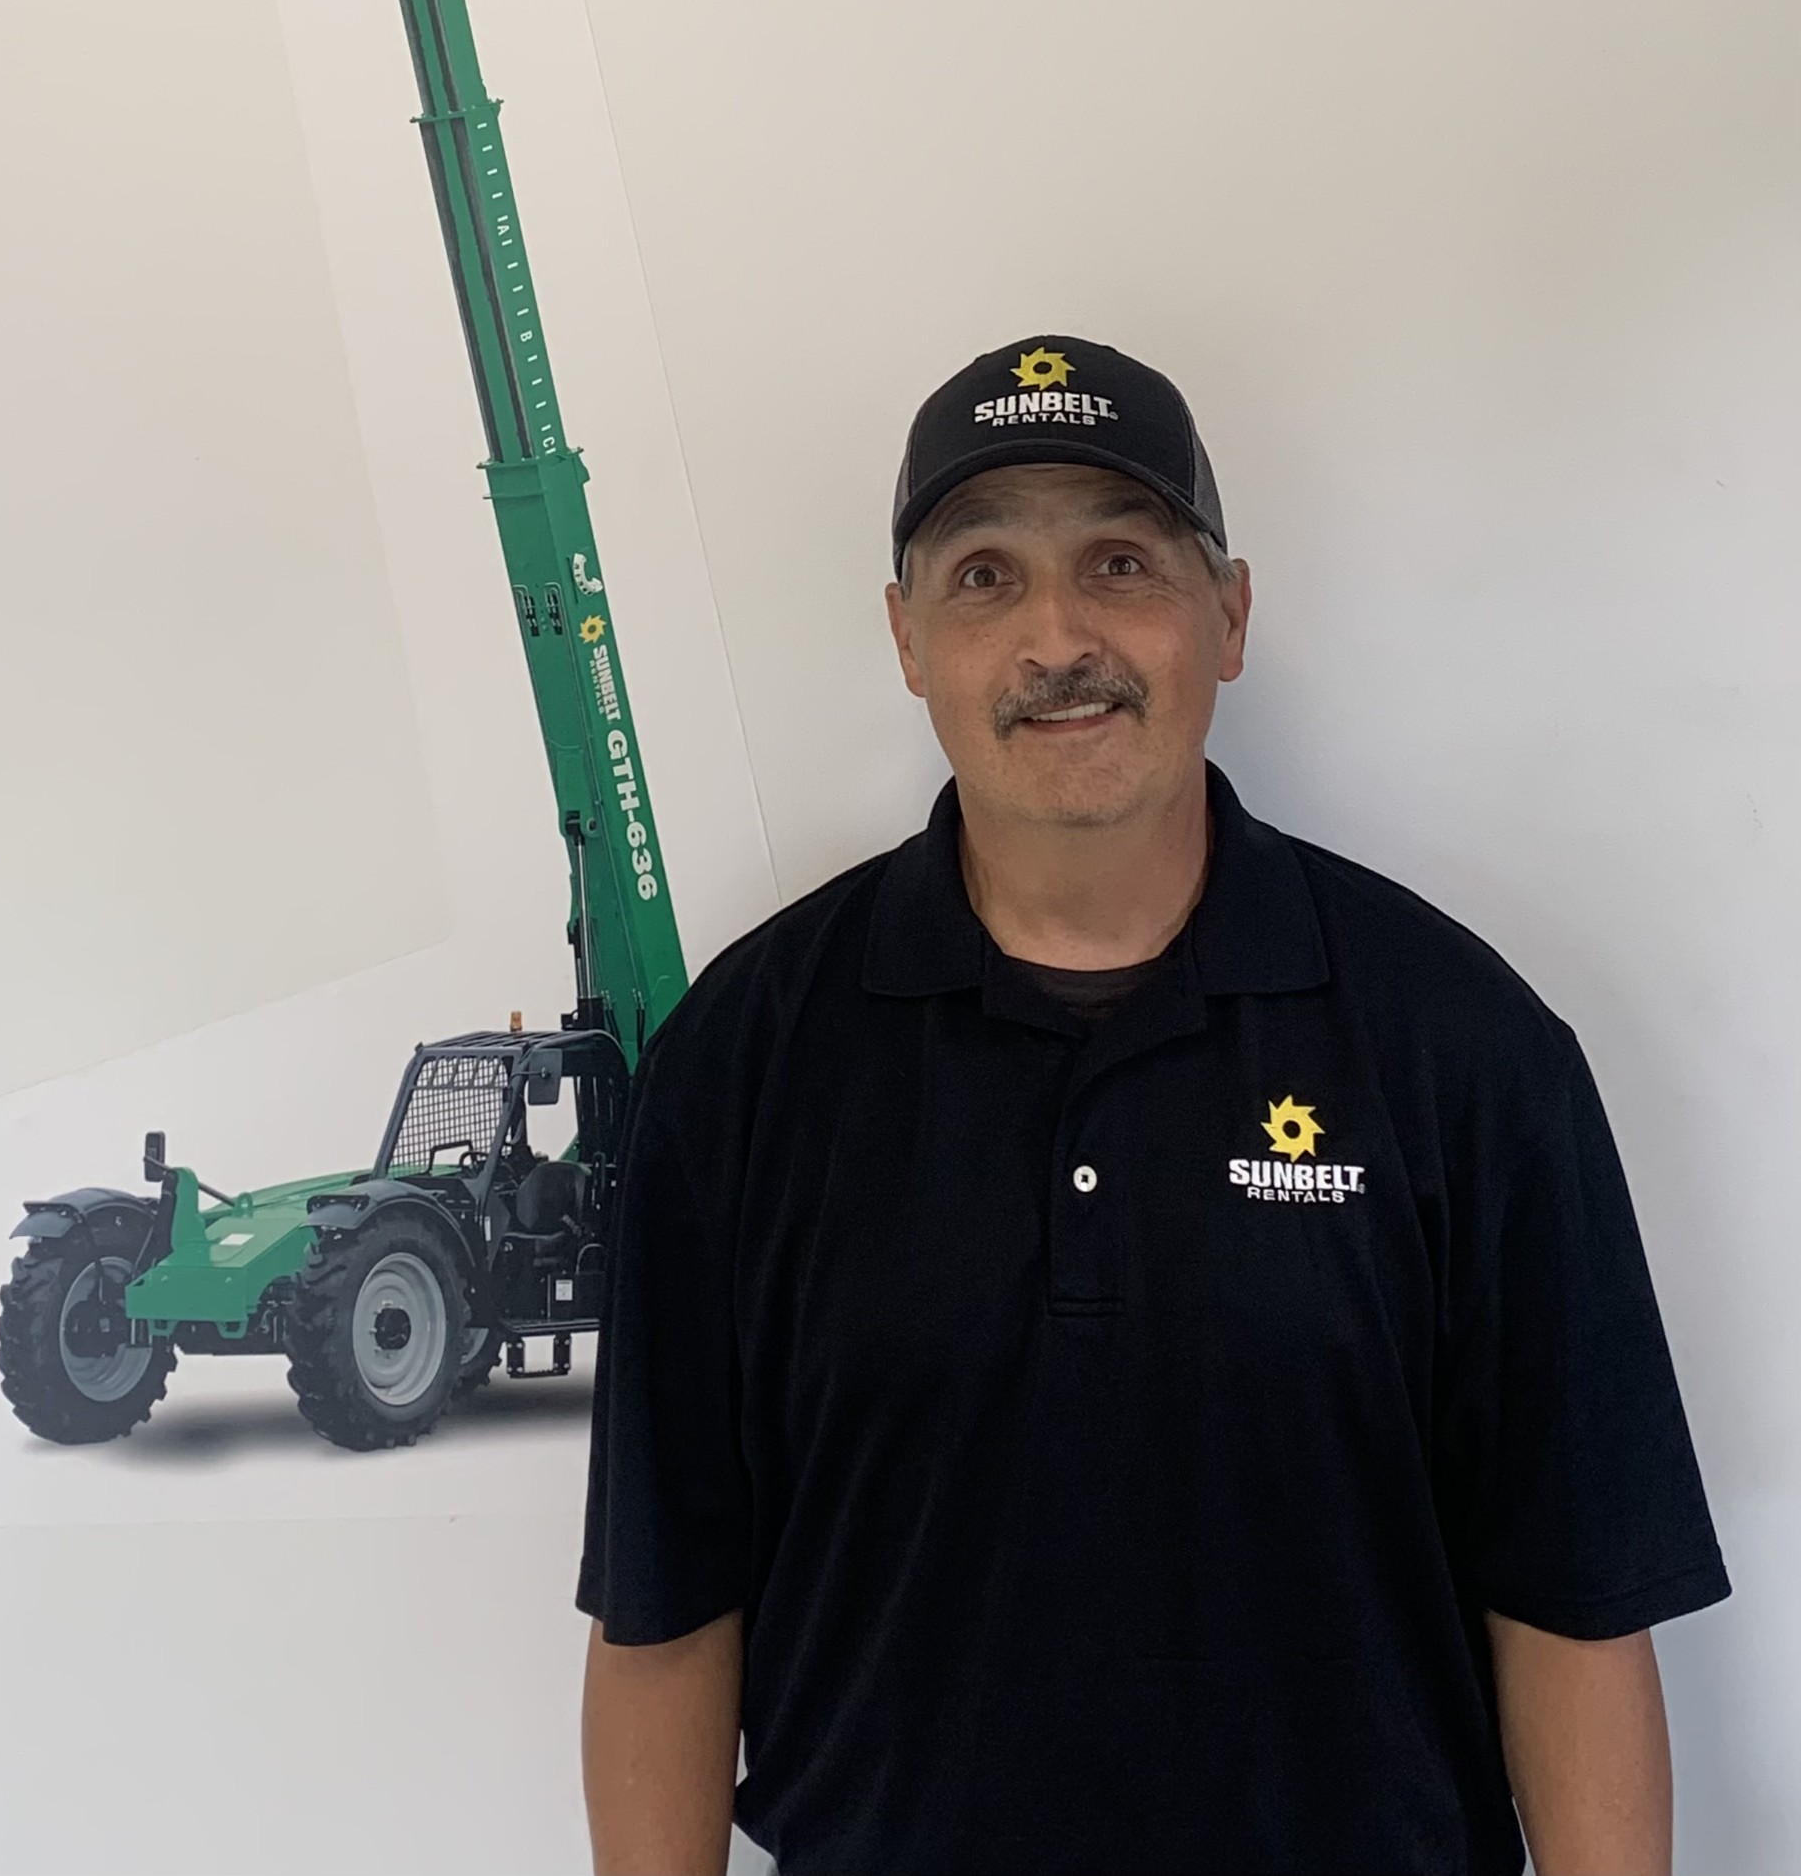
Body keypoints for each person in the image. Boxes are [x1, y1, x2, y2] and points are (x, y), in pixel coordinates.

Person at [577, 335, 1730, 1876]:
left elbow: (1574, 1609)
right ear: (907, 638)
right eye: (984, 575)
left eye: (1120, 563)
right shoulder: (741, 1064)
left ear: (1229, 614)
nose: (1058, 637)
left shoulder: (1464, 1049)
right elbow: (666, 1615)